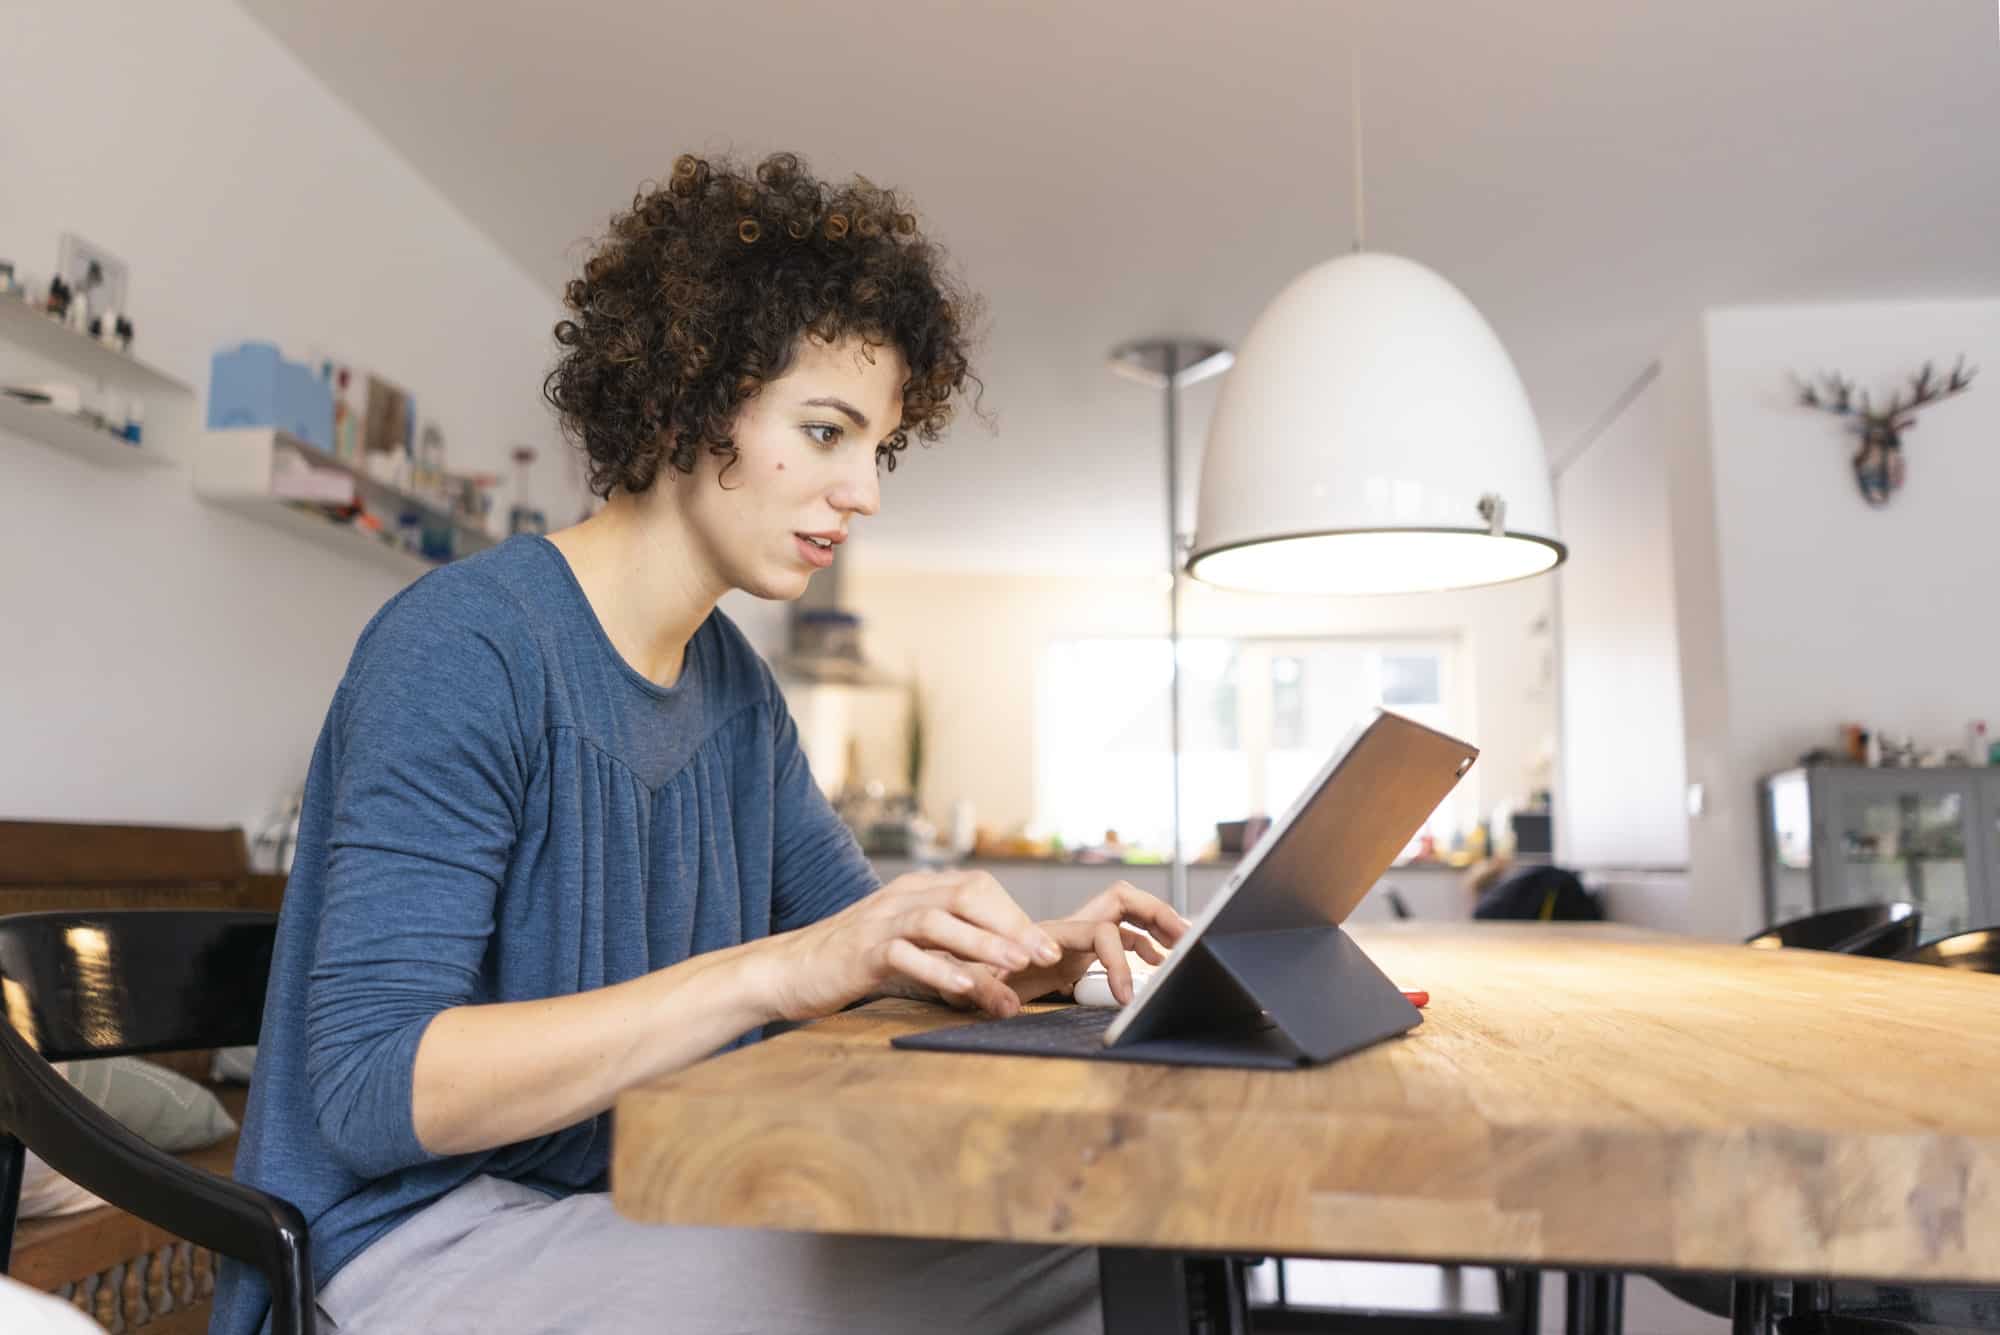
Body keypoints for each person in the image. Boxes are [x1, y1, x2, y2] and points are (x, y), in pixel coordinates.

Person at [212, 151, 1187, 1335]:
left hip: (630, 1196)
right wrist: (769, 971)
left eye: (876, 449)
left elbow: (856, 952)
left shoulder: (735, 690)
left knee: (1109, 1231)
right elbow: (372, 1090)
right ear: (684, 400)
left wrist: (1032, 959)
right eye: (824, 431)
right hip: (414, 1241)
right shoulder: (464, 646)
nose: (864, 491)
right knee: (1093, 1252)